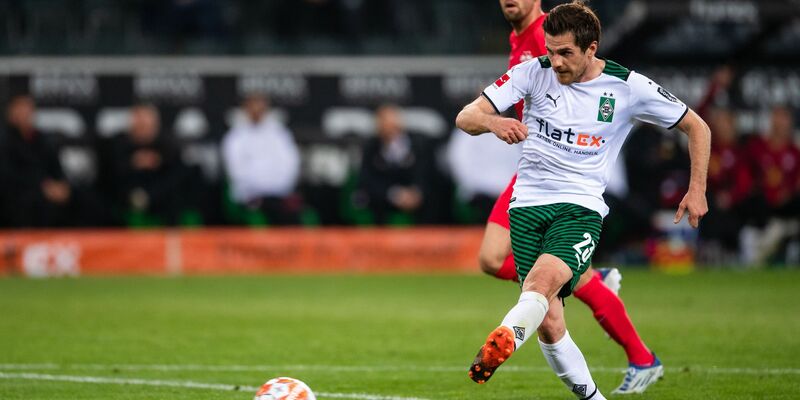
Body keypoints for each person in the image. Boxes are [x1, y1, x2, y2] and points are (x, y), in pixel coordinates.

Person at [456, 2, 710, 398]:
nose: (555, 62)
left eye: (565, 53)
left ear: (591, 49)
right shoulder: (532, 71)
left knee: (539, 286)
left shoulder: (627, 86)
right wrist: (493, 121)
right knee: (550, 322)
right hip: (525, 206)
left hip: (579, 207)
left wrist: (696, 189)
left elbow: (697, 126)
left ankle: (504, 337)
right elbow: (466, 116)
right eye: (551, 51)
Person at [222, 93, 302, 225]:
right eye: (253, 106)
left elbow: (290, 163)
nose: (257, 111)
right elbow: (236, 171)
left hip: (278, 193)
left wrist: (278, 188)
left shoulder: (279, 133)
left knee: (290, 216)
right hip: (250, 196)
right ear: (246, 109)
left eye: (260, 106)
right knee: (264, 210)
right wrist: (259, 188)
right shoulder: (235, 137)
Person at [0, 95, 73, 227]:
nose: (26, 112)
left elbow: (56, 168)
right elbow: (8, 176)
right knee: (31, 202)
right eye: (21, 108)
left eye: (29, 108)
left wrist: (62, 185)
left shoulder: (41, 139)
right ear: (10, 112)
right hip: (20, 193)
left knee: (80, 197)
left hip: (46, 189)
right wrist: (42, 187)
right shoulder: (5, 140)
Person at [111, 103, 188, 225]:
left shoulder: (168, 145)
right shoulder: (119, 144)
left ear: (155, 124)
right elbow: (113, 174)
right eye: (139, 122)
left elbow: (174, 178)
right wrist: (133, 162)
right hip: (127, 197)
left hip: (160, 198)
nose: (143, 126)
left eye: (146, 123)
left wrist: (148, 196)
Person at [358, 104, 434, 225]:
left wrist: (416, 193)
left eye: (394, 124)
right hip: (385, 200)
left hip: (416, 199)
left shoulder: (418, 145)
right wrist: (393, 194)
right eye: (385, 124)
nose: (390, 128)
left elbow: (426, 174)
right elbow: (366, 180)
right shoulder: (371, 148)